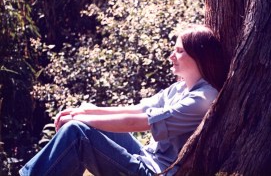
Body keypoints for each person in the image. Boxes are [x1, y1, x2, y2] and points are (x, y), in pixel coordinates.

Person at [19, 24, 228, 176]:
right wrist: (82, 113)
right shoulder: (181, 87)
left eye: (179, 51)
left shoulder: (202, 98)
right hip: (147, 157)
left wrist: (82, 121)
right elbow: (137, 109)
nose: (171, 56)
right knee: (84, 116)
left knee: (78, 134)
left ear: (199, 56)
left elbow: (136, 123)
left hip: (156, 172)